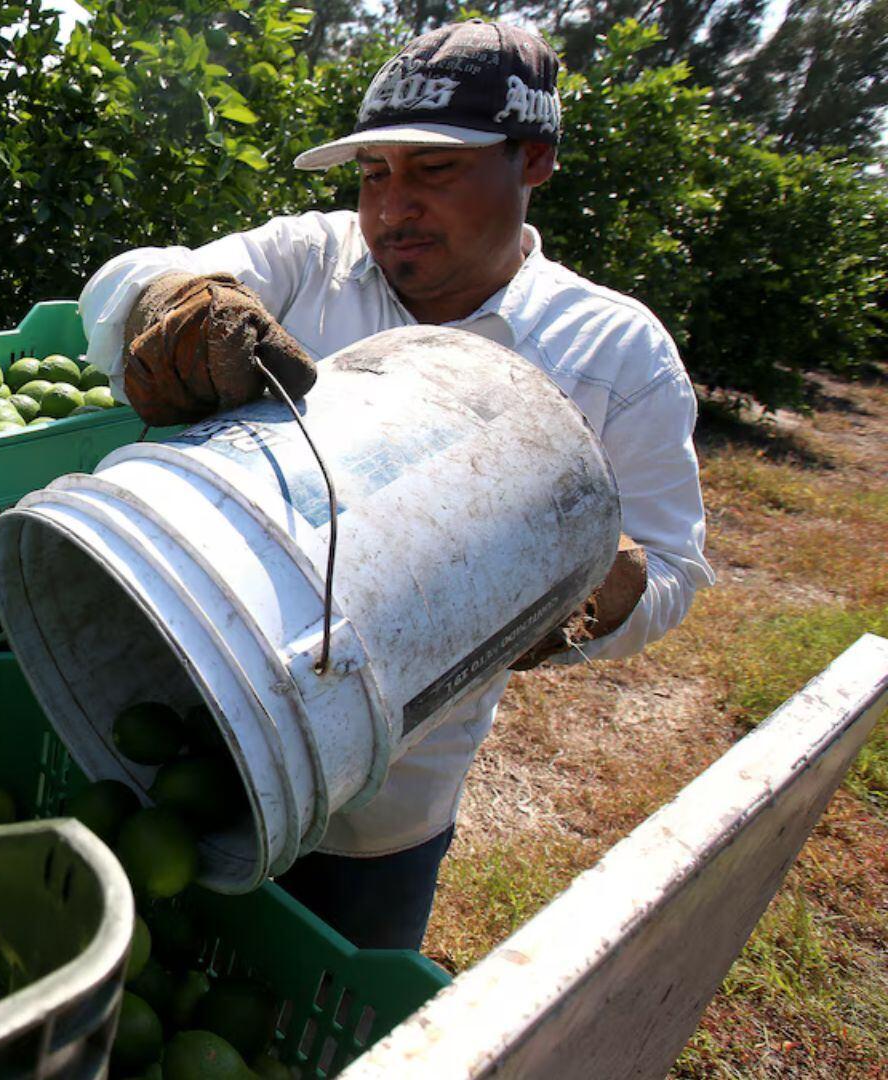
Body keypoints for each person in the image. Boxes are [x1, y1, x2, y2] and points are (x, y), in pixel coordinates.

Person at [77, 20, 714, 951]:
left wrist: (591, 589)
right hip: (190, 711)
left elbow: (674, 569)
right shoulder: (315, 262)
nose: (390, 208)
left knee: (334, 998)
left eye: (435, 170)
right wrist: (173, 306)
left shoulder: (613, 354)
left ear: (533, 159)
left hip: (388, 794)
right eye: (375, 173)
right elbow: (133, 279)